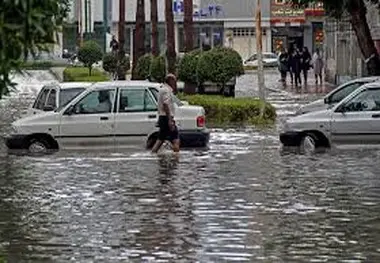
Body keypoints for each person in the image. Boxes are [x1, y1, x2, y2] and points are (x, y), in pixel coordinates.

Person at [151, 74, 180, 153]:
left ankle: (152, 154)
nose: (175, 83)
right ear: (170, 81)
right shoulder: (166, 90)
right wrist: (170, 120)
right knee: (176, 139)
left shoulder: (164, 89)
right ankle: (176, 159)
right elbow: (165, 104)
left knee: (160, 140)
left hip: (164, 118)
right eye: (174, 81)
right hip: (166, 118)